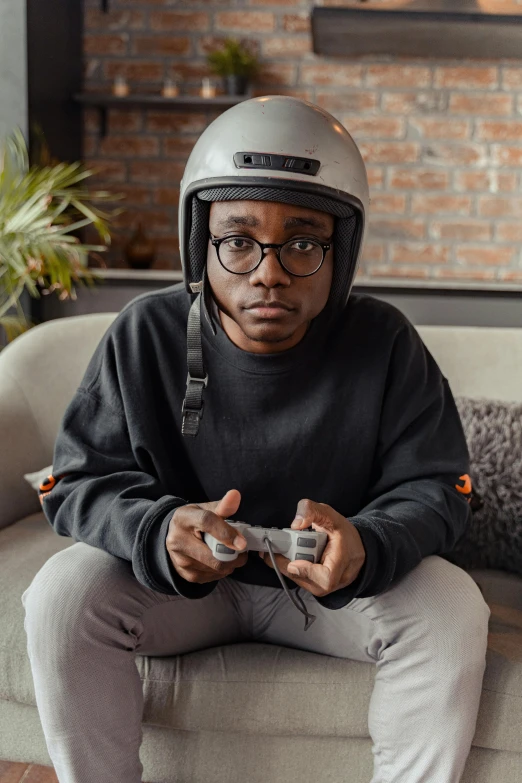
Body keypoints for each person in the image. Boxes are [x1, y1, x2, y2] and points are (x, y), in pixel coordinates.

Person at [21, 95, 490, 783]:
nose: (268, 271)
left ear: (342, 250)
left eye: (302, 243)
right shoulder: (144, 334)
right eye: (238, 241)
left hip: (331, 594)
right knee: (60, 592)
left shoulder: (384, 341)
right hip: (186, 591)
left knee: (452, 605)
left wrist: (366, 544)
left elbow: (443, 487)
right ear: (199, 243)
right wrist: (159, 528)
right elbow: (76, 480)